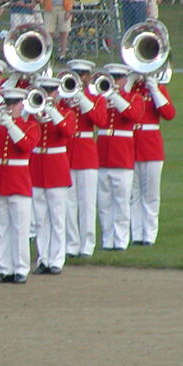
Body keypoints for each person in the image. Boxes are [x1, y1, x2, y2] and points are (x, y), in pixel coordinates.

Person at [0, 88, 39, 284]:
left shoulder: (29, 126)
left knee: (20, 228)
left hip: (18, 182)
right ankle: (5, 268)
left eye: (14, 104)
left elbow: (26, 146)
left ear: (21, 105)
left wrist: (10, 125)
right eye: (7, 103)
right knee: (0, 229)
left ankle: (21, 268)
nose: (10, 107)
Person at [29, 78, 77, 275]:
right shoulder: (33, 112)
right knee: (40, 218)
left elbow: (68, 131)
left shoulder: (65, 113)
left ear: (57, 93)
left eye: (51, 91)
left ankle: (57, 259)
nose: (48, 95)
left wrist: (52, 112)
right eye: (44, 91)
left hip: (56, 168)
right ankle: (43, 258)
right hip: (38, 168)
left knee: (57, 217)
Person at [96, 64, 145, 250]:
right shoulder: (101, 97)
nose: (115, 81)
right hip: (103, 156)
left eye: (119, 78)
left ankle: (121, 240)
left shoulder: (134, 97)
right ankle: (108, 240)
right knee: (104, 202)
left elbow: (133, 114)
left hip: (122, 158)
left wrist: (115, 97)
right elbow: (98, 120)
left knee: (122, 201)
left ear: (125, 79)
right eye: (112, 77)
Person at [63, 60, 108, 258]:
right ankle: (71, 244)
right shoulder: (64, 97)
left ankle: (87, 244)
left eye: (83, 74)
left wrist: (81, 98)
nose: (79, 78)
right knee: (69, 203)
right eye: (76, 74)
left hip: (86, 153)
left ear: (89, 76)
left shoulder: (96, 98)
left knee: (88, 202)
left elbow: (100, 120)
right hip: (67, 152)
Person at [130, 72, 175, 246]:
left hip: (150, 146)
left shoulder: (157, 87)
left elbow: (168, 113)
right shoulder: (131, 89)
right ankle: (136, 234)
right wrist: (130, 82)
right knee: (134, 194)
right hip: (131, 144)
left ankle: (149, 234)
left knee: (150, 194)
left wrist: (155, 89)